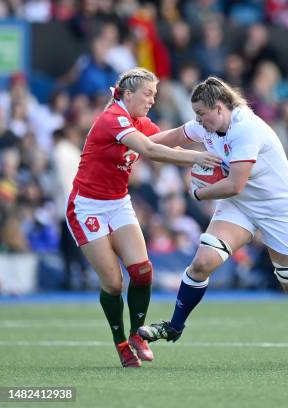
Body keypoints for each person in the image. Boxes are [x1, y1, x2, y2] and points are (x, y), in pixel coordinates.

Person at [137, 76, 288, 366]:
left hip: (279, 207)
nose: (198, 120)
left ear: (220, 108)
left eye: (202, 114)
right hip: (242, 204)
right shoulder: (209, 123)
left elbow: (234, 184)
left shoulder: (246, 129)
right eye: (196, 114)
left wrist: (198, 194)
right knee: (202, 262)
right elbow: (175, 137)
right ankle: (174, 326)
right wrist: (136, 145)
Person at [65, 67, 221, 368]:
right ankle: (121, 344)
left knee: (143, 271)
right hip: (87, 206)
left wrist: (202, 126)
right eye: (148, 94)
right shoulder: (113, 119)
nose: (152, 100)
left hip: (117, 202)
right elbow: (151, 150)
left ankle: (138, 335)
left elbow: (169, 137)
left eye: (155, 95)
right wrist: (197, 157)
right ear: (128, 93)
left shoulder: (137, 122)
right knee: (113, 283)